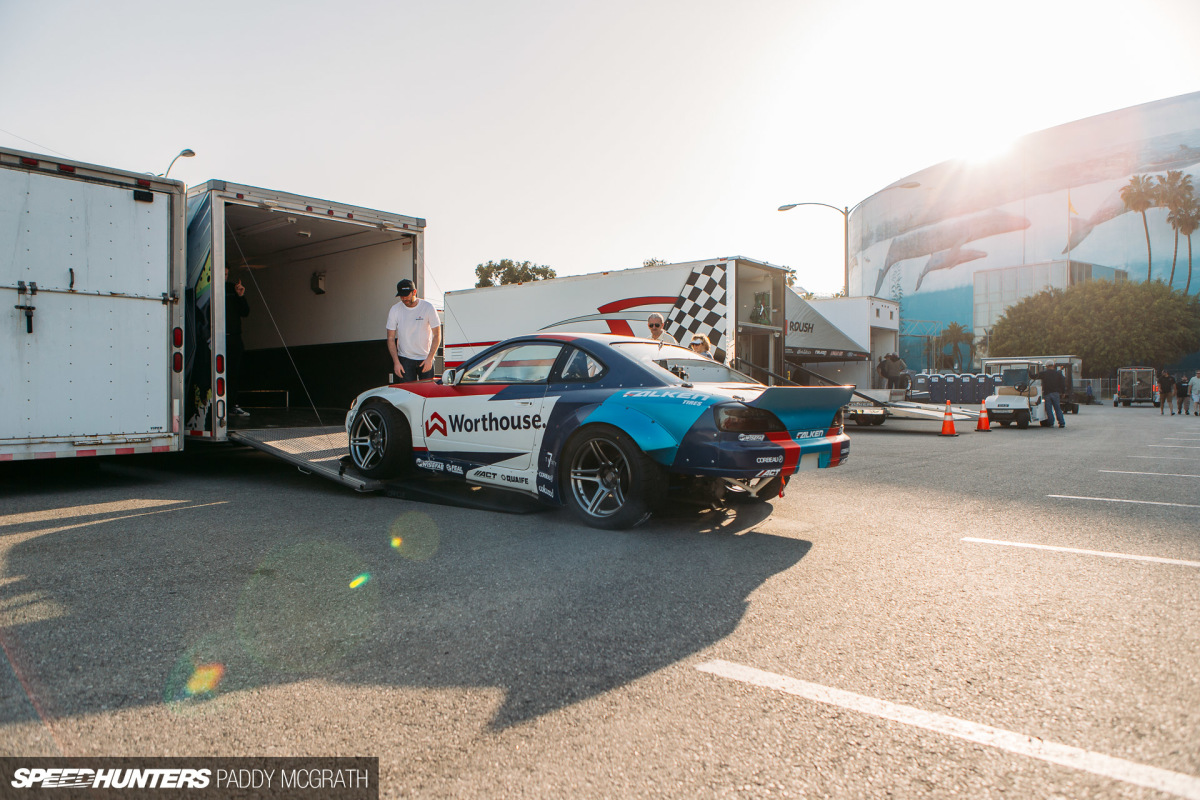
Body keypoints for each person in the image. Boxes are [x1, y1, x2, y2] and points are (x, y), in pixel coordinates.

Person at [386, 278, 441, 383]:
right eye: (401, 295)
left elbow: (437, 335)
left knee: (426, 393)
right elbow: (390, 338)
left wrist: (430, 358)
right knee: (407, 394)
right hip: (405, 359)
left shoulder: (428, 307)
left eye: (406, 295)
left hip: (425, 358)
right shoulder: (395, 309)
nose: (403, 298)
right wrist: (396, 362)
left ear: (414, 292)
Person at [225, 267, 251, 417]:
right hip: (215, 336)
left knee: (234, 372)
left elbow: (245, 312)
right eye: (222, 273)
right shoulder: (207, 288)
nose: (225, 277)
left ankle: (232, 404)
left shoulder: (232, 289)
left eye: (227, 274)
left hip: (233, 337)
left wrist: (240, 296)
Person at [1037, 363, 1067, 428]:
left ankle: (1050, 423)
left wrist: (1028, 371)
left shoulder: (1044, 373)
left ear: (1046, 366)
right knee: (1057, 408)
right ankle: (1061, 423)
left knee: (1049, 409)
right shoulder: (1058, 373)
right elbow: (1062, 383)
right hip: (1055, 393)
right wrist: (1063, 392)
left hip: (1047, 393)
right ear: (1053, 366)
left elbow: (1034, 376)